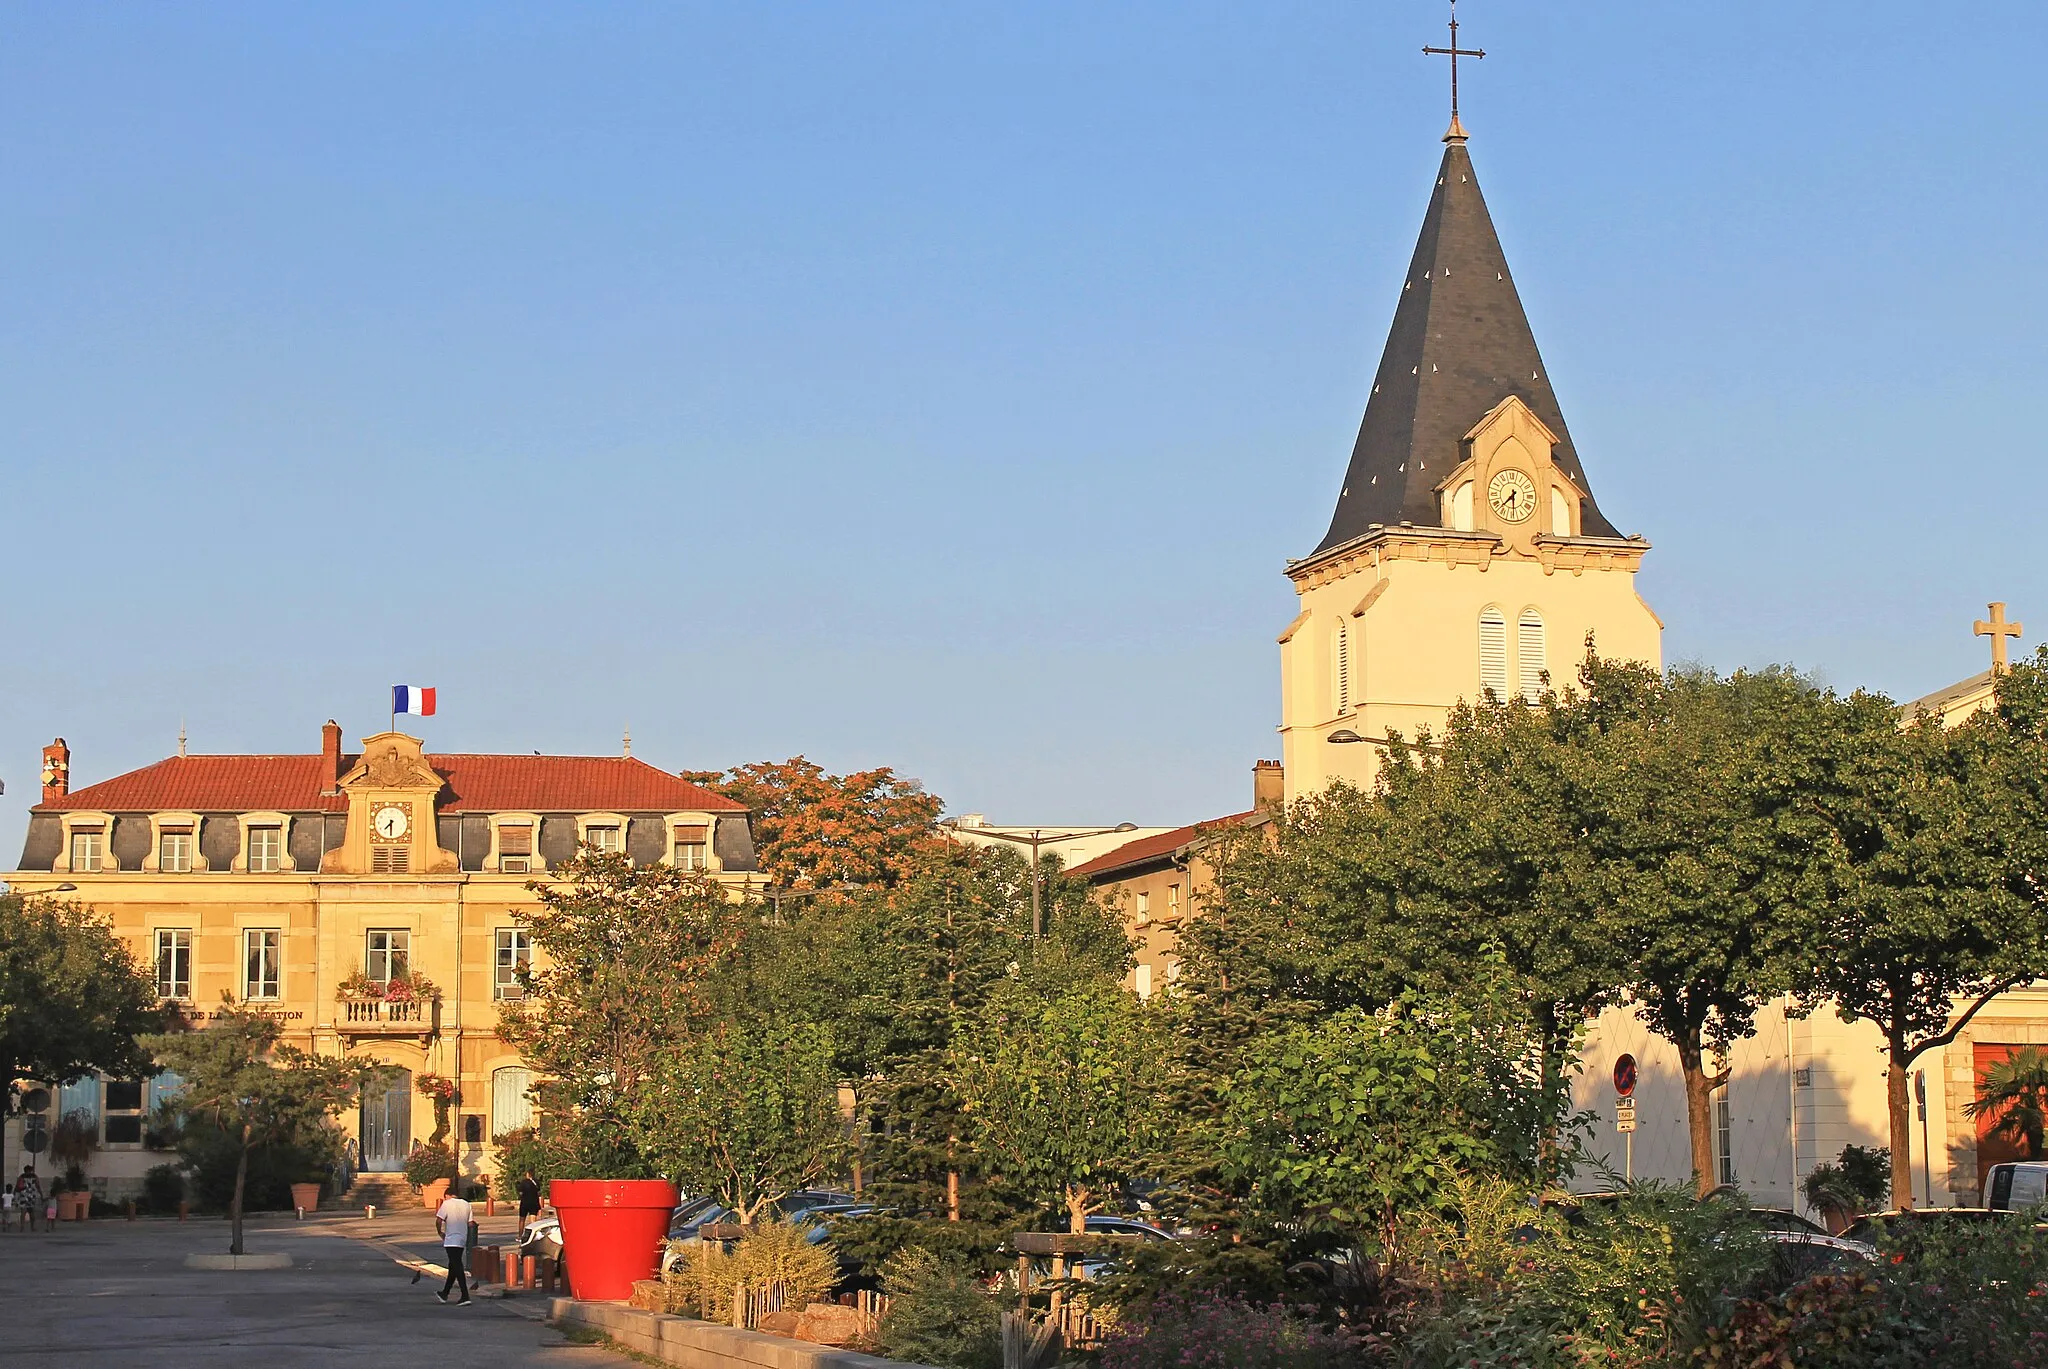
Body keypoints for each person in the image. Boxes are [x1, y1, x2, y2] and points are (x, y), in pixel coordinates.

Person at [435, 1187, 474, 1305]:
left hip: (451, 1239)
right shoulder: (467, 1204)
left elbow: (438, 1220)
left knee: (457, 1266)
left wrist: (440, 1232)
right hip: (462, 1238)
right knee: (453, 1266)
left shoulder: (446, 1204)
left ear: (448, 1195)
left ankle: (465, 1295)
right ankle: (445, 1293)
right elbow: (471, 1223)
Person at [16, 1168, 42, 1234]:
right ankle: (22, 1227)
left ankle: (32, 1227)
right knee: (23, 1213)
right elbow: (17, 1186)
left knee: (32, 1214)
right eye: (27, 1171)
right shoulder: (21, 1177)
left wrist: (41, 1194)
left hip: (31, 1197)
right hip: (24, 1197)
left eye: (29, 1171)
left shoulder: (34, 1177)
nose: (28, 1172)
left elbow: (38, 1186)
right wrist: (16, 1196)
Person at [516, 1170, 540, 1236]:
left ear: (528, 1174)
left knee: (522, 1219)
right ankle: (533, 1235)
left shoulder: (523, 1182)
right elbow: (538, 1192)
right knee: (533, 1219)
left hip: (525, 1203)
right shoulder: (536, 1182)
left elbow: (520, 1192)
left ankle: (520, 1235)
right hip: (534, 1202)